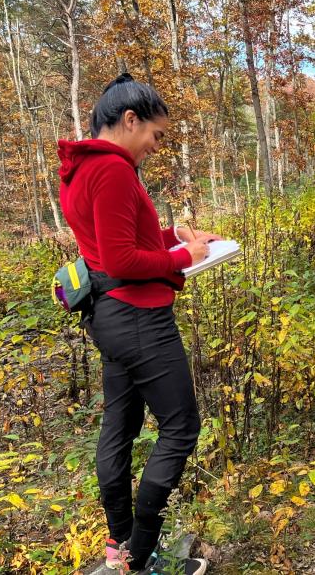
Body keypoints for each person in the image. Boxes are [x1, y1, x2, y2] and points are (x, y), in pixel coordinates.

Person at [58, 73, 214, 575]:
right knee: (181, 427)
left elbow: (112, 243)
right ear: (130, 120)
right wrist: (181, 258)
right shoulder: (113, 171)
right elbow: (123, 259)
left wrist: (176, 235)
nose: (155, 145)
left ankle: (119, 545)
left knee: (119, 429)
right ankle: (140, 555)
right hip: (140, 318)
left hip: (110, 318)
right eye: (155, 134)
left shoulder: (84, 169)